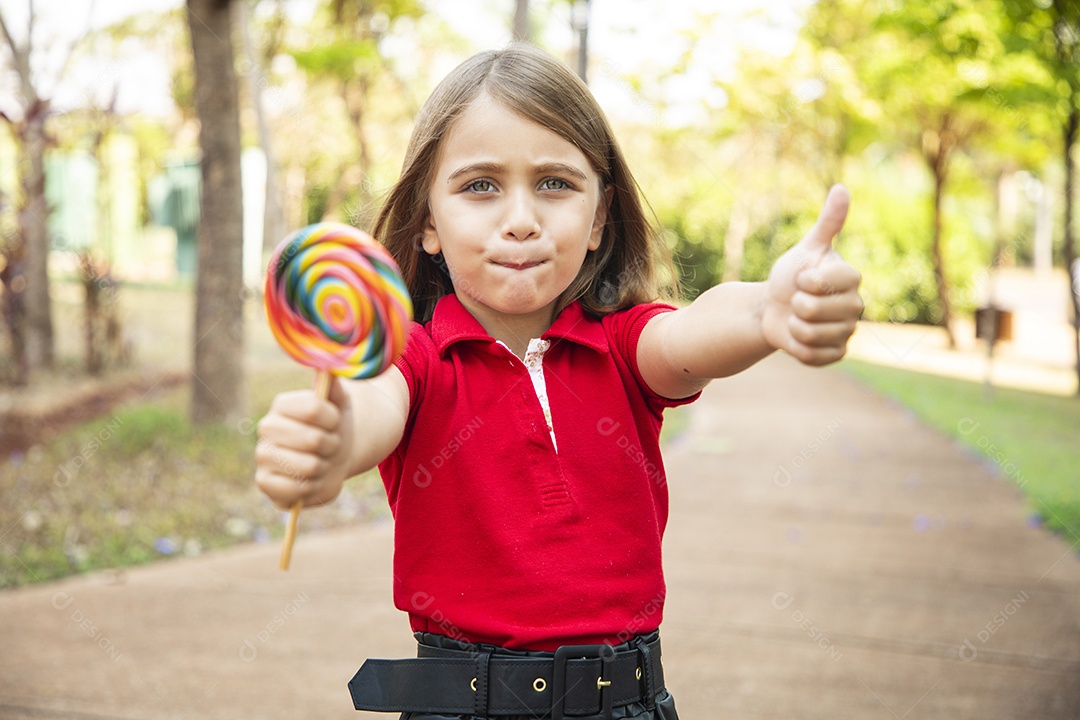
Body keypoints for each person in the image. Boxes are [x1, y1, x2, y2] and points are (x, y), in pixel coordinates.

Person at [255, 43, 862, 720]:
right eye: (479, 185)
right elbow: (373, 407)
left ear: (600, 216)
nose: (521, 218)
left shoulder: (624, 346)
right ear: (428, 222)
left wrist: (763, 312)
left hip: (627, 704)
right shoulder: (418, 359)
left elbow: (692, 336)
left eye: (555, 183)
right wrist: (334, 442)